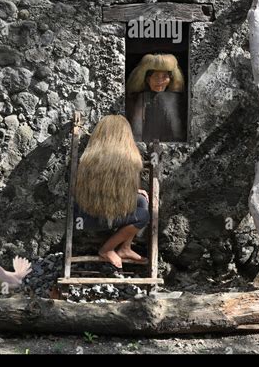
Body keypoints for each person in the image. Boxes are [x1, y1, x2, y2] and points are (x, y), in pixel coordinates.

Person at [73, 115, 149, 269]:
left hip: (83, 219)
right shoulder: (130, 159)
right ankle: (107, 249)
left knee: (141, 200)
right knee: (143, 215)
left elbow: (107, 188)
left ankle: (125, 248)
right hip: (101, 218)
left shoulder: (88, 158)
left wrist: (135, 191)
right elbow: (118, 196)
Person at [125, 53, 186, 141]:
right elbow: (136, 127)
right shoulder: (139, 99)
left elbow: (177, 129)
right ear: (148, 79)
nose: (160, 81)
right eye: (156, 76)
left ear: (170, 79)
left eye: (164, 76)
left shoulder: (175, 99)